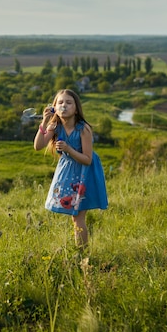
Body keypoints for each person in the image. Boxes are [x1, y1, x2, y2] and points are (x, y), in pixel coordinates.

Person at [33, 89, 108, 249]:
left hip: (84, 173)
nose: (64, 106)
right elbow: (38, 146)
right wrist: (44, 123)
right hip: (67, 173)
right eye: (60, 103)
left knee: (78, 216)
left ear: (76, 108)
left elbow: (87, 160)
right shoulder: (55, 126)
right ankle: (81, 252)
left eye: (68, 103)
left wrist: (68, 149)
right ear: (54, 107)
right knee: (75, 217)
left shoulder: (83, 129)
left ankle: (82, 253)